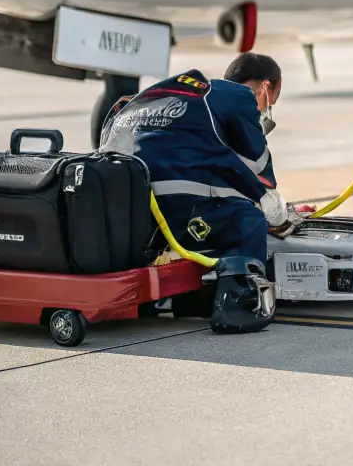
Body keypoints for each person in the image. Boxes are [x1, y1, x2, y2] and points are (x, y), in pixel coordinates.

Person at [100, 52, 300, 333]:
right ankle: (239, 304)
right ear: (266, 88)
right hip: (173, 201)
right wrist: (280, 218)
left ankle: (183, 296)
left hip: (123, 201)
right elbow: (259, 174)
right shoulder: (239, 97)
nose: (264, 113)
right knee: (246, 220)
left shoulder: (169, 93)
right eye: (270, 103)